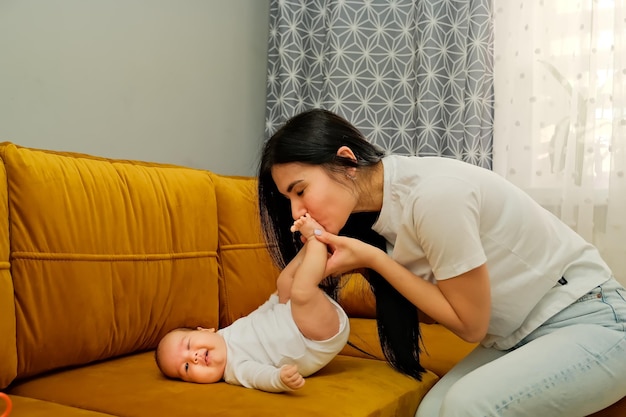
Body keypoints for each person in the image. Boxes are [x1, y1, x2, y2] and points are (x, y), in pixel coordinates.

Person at [257, 108, 626, 416]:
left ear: (347, 162)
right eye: (288, 199)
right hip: (517, 336)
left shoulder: (433, 197)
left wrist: (373, 260)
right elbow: (288, 291)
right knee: (431, 412)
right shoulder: (377, 216)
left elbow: (470, 327)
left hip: (593, 320)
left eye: (301, 191)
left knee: (468, 406)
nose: (296, 210)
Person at [154, 213, 350, 393]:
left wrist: (276, 298)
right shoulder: (235, 369)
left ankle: (312, 246)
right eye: (186, 367)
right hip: (314, 337)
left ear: (205, 330)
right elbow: (258, 376)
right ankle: (317, 240)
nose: (193, 357)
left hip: (295, 314)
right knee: (301, 291)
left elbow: (259, 318)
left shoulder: (228, 333)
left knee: (284, 282)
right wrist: (278, 378)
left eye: (188, 345)